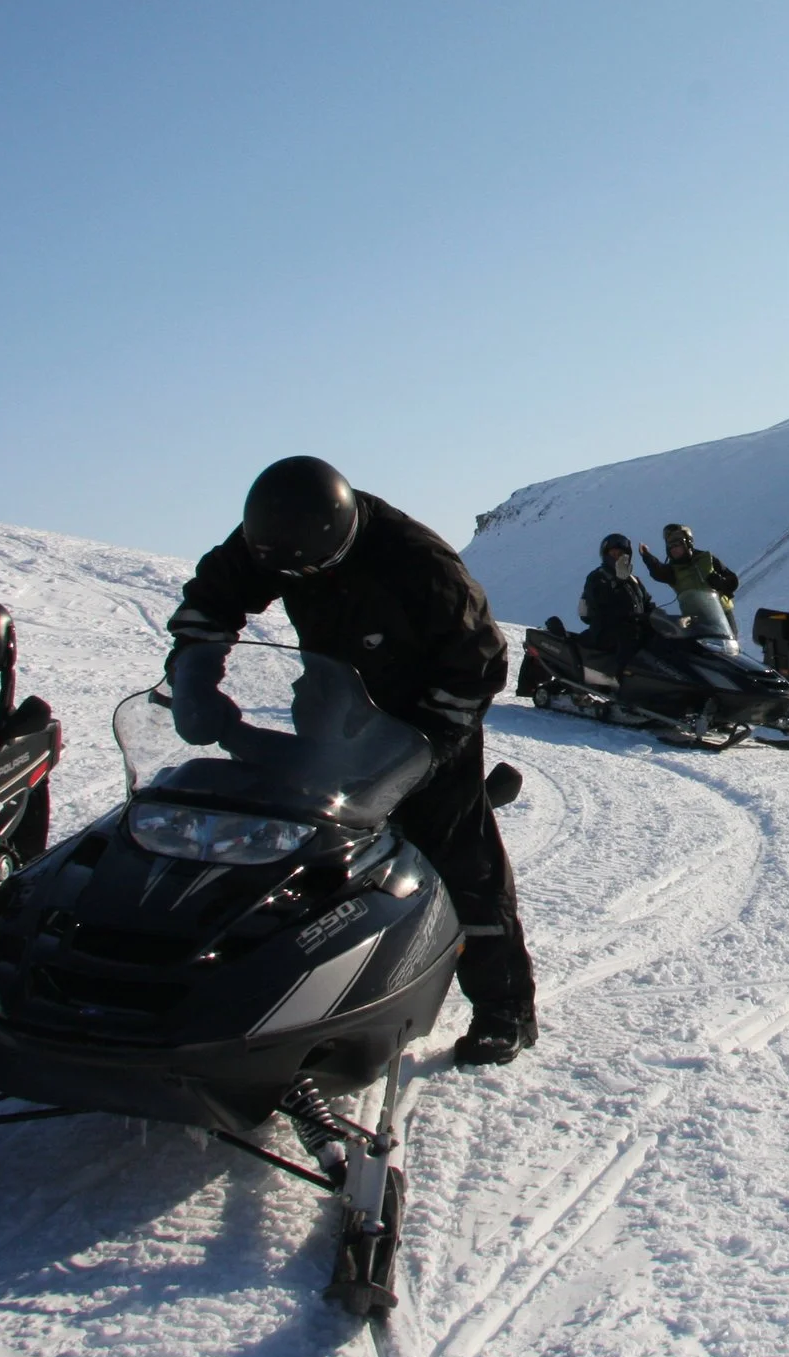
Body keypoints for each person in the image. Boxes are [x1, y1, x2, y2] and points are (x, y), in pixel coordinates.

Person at [167, 457, 537, 1066]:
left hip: (427, 717)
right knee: (301, 842)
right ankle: (281, 988)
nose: (295, 578)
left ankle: (505, 1010)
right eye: (286, 570)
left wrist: (425, 751)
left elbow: (478, 666)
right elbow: (210, 601)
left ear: (337, 537)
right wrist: (194, 677)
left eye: (309, 570)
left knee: (458, 855)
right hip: (333, 706)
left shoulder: (420, 563)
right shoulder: (275, 536)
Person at [640, 523, 739, 627]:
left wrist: (721, 583)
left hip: (722, 614)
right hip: (697, 621)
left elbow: (732, 579)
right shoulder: (672, 570)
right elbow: (658, 571)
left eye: (677, 545)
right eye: (670, 546)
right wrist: (647, 556)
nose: (674, 549)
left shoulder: (706, 558)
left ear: (688, 542)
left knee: (731, 642)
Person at [578, 533, 659, 653]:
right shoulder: (598, 577)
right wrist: (619, 584)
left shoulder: (633, 580)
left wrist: (656, 617)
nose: (617, 557)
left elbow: (647, 603)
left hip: (636, 630)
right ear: (606, 555)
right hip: (610, 635)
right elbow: (601, 606)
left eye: (621, 554)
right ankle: (619, 672)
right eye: (613, 554)